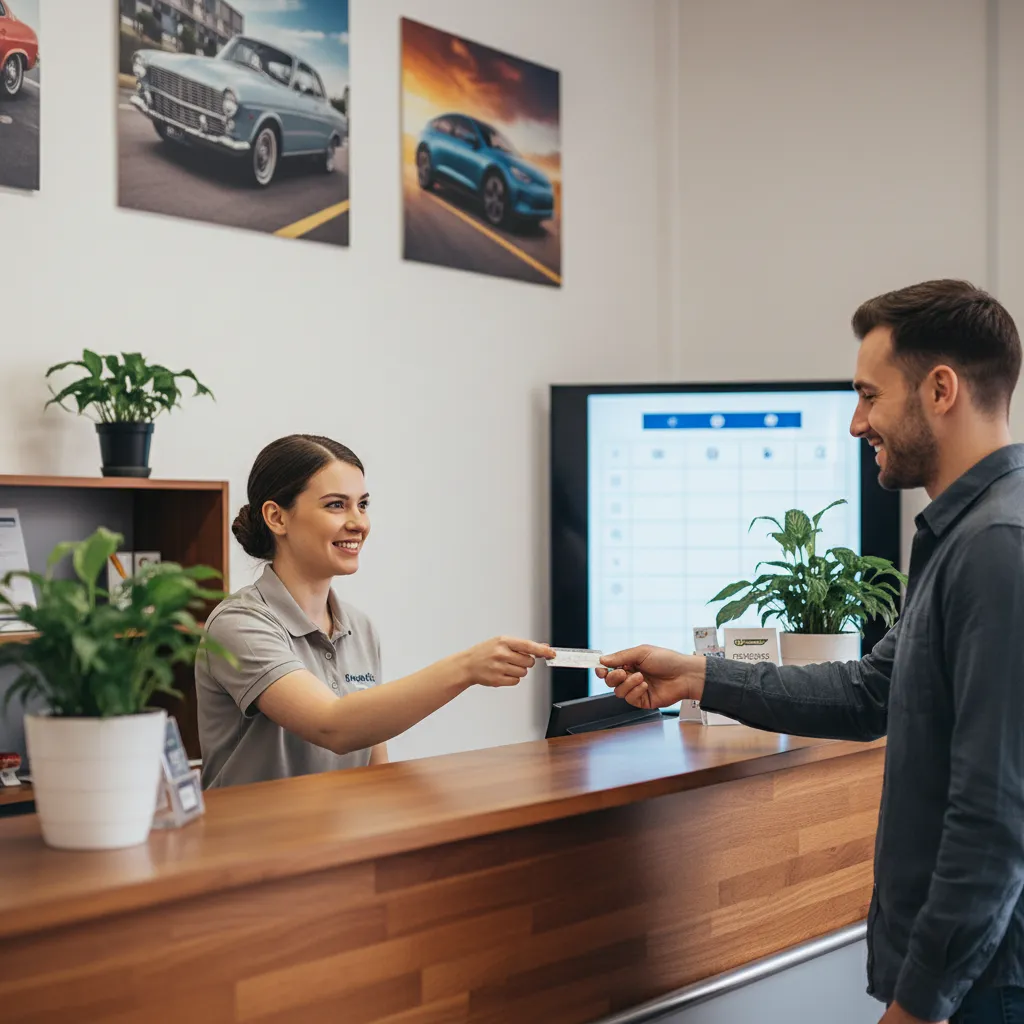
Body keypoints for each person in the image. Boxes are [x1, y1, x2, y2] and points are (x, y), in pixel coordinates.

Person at [598, 281, 1024, 1024]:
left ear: (941, 389)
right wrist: (698, 675)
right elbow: (869, 693)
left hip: (982, 991)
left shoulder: (996, 547)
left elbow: (996, 816)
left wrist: (919, 1005)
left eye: (867, 394)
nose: (857, 422)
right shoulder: (962, 535)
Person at [197, 434, 554, 789]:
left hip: (344, 842)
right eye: (336, 505)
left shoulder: (358, 627)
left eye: (363, 505)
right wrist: (466, 668)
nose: (359, 523)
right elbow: (332, 725)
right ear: (277, 517)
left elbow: (375, 766)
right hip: (255, 843)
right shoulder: (239, 625)